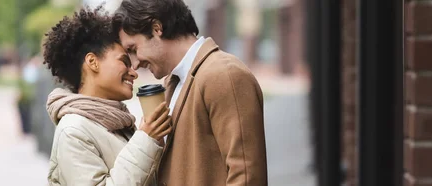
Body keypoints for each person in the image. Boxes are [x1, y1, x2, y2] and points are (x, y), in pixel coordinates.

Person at [113, 0, 268, 185]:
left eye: (133, 49)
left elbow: (247, 176)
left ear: (156, 28)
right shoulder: (173, 82)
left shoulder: (224, 74)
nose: (135, 64)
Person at [43, 7, 171, 185]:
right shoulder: (73, 131)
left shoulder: (117, 123)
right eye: (124, 62)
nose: (134, 73)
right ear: (92, 62)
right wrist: (146, 140)